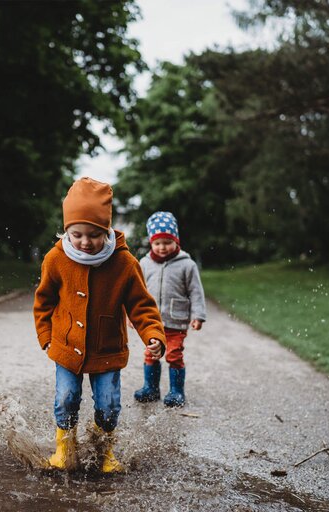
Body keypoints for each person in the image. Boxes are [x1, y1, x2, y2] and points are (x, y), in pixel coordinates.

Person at [33, 177, 166, 473]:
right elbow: (43, 300)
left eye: (93, 235)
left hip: (107, 349)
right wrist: (45, 336)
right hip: (67, 346)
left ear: (105, 230)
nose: (84, 242)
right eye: (76, 234)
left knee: (108, 405)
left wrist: (153, 333)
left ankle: (104, 452)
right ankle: (64, 450)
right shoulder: (56, 259)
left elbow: (141, 305)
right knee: (66, 399)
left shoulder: (124, 263)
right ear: (66, 230)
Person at [133, 211, 206, 407]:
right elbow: (137, 292)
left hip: (176, 320)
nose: (162, 247)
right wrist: (133, 316)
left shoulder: (187, 264)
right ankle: (151, 388)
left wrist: (198, 315)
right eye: (157, 243)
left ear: (176, 241)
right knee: (151, 353)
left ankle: (176, 391)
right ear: (151, 242)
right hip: (151, 322)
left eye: (167, 242)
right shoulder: (145, 264)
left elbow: (195, 291)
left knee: (174, 354)